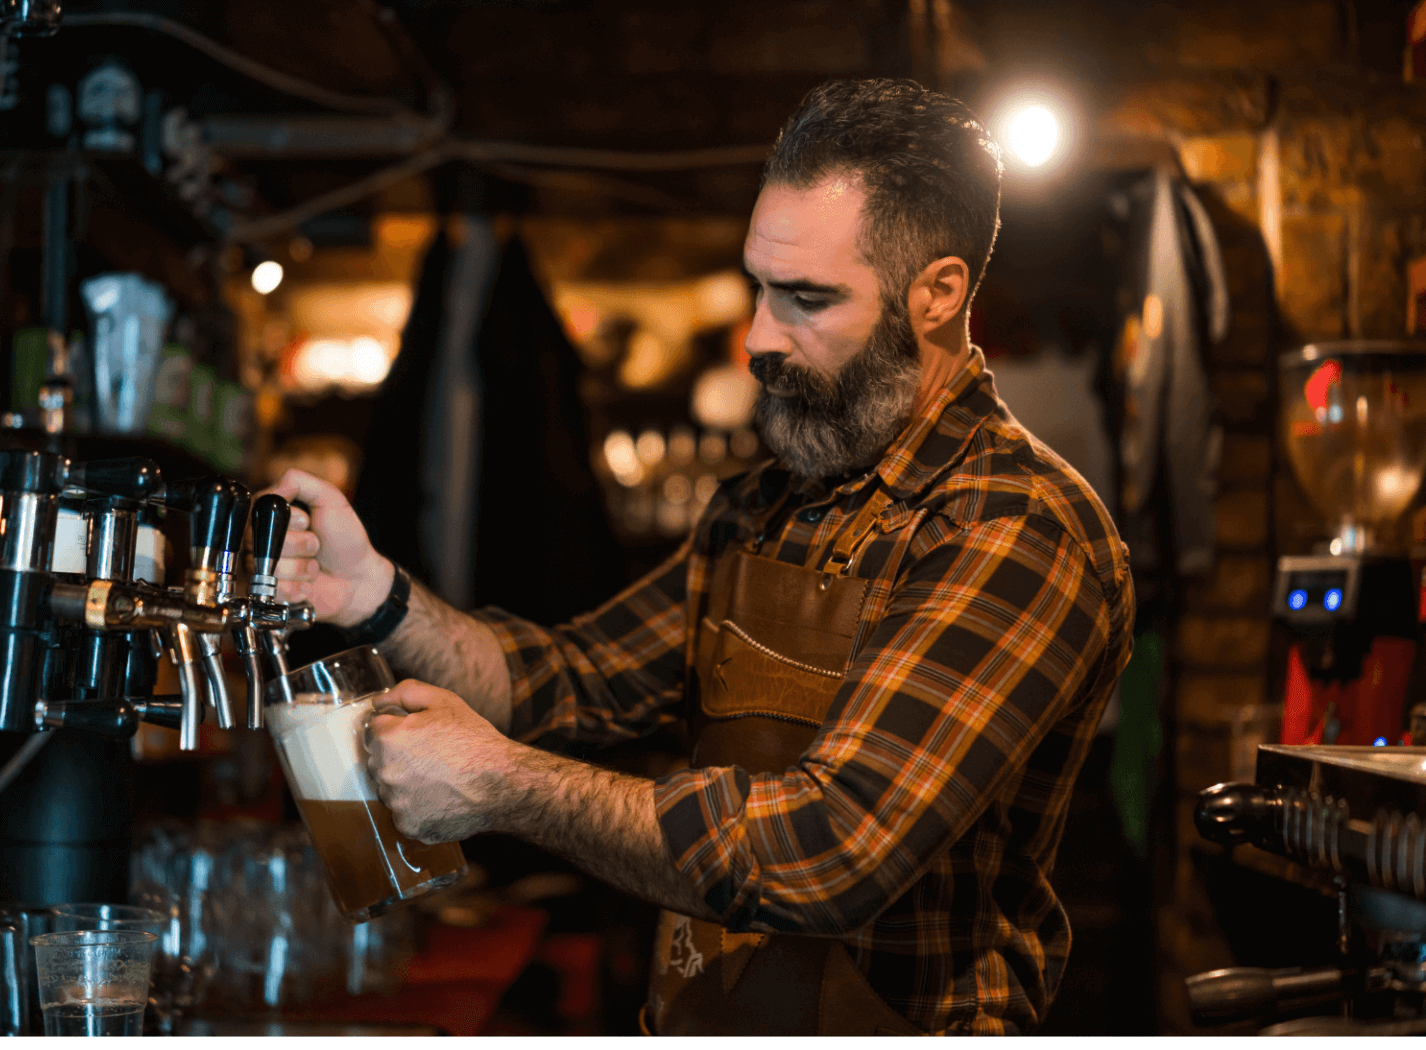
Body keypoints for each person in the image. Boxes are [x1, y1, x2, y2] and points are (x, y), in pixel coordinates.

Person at [269, 78, 1134, 1036]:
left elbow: (830, 854)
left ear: (937, 295)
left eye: (807, 299)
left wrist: (503, 786)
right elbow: (568, 680)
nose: (761, 338)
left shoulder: (1012, 525)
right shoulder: (763, 507)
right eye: (761, 288)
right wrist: (377, 596)